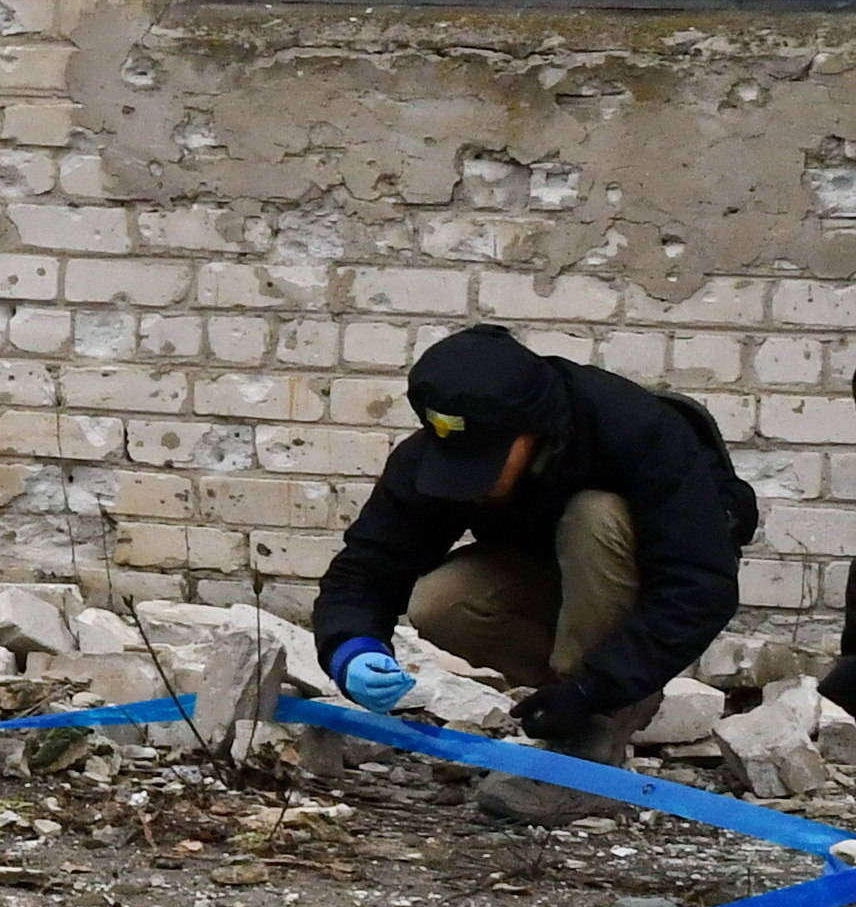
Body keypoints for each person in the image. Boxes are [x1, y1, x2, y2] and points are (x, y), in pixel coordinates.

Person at [305, 323, 755, 825]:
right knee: (441, 601)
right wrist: (351, 647)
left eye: (487, 461)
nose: (473, 479)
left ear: (534, 429)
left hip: (635, 582)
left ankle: (590, 743)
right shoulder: (434, 451)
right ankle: (590, 698)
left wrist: (593, 691)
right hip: (553, 577)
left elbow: (701, 586)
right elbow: (368, 564)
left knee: (594, 514)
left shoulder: (637, 430)